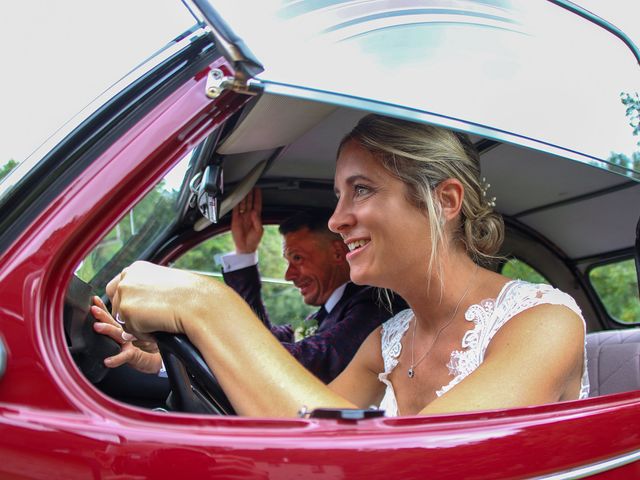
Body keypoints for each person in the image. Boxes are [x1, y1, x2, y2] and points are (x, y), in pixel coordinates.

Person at [105, 114, 589, 418]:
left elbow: (413, 466)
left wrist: (205, 304)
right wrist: (167, 359)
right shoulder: (387, 341)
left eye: (361, 189)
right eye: (339, 196)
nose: (336, 220)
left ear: (444, 200)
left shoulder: (544, 324)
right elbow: (303, 416)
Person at [92, 191, 400, 383]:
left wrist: (200, 311)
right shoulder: (330, 313)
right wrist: (163, 354)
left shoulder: (372, 307)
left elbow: (303, 362)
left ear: (336, 254)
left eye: (298, 258)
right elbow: (262, 338)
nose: (290, 274)